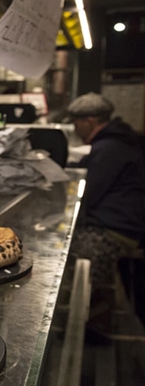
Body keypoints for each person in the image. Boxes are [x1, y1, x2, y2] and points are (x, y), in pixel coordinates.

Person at [66, 92, 145, 303]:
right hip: (114, 222)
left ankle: (77, 320)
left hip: (117, 229)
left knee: (72, 258)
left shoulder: (111, 148)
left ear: (89, 121)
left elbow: (88, 193)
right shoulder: (113, 143)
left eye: (76, 122)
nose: (75, 128)